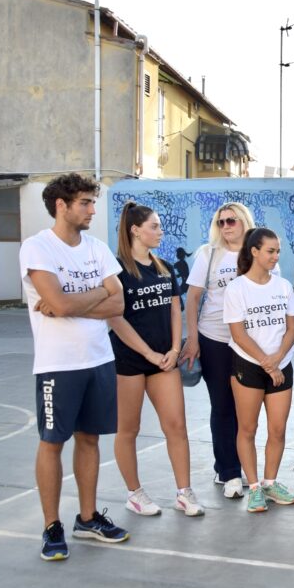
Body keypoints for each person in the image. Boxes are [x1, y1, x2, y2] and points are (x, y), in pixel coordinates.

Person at [20, 173, 130, 561]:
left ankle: (87, 518)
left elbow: (119, 304)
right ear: (61, 205)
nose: (92, 210)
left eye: (92, 202)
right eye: (85, 202)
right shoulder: (37, 248)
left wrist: (71, 302)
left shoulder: (97, 248)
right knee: (52, 442)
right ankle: (52, 526)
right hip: (58, 364)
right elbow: (62, 304)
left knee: (90, 439)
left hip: (99, 359)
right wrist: (96, 294)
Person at [109, 202, 203, 517]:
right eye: (155, 226)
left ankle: (184, 493)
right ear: (136, 230)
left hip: (165, 360)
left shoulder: (163, 266)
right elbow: (115, 319)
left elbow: (175, 308)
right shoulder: (117, 270)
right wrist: (148, 353)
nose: (160, 232)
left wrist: (175, 350)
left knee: (176, 426)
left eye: (160, 226)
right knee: (129, 429)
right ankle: (134, 494)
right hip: (130, 361)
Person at [180, 202, 265, 500]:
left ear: (244, 222)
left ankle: (243, 466)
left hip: (250, 344)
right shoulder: (209, 254)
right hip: (214, 339)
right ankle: (229, 472)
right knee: (223, 406)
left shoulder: (257, 252)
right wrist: (192, 339)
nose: (226, 226)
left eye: (232, 220)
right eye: (221, 222)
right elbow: (192, 299)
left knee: (247, 410)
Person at [224, 228, 294, 512]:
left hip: (281, 366)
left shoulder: (283, 286)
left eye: (278, 251)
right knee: (248, 428)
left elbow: (291, 329)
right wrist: (268, 364)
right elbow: (239, 334)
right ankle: (254, 487)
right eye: (270, 251)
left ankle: (270, 483)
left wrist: (277, 359)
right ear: (254, 251)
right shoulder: (237, 288)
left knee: (278, 429)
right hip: (249, 366)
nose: (275, 256)